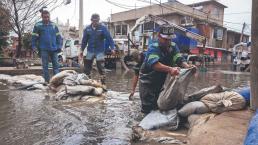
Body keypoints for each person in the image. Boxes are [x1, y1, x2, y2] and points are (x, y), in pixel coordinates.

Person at [139, 25, 194, 114]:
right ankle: (143, 123)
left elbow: (178, 58)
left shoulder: (173, 46)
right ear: (159, 36)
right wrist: (170, 69)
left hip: (161, 80)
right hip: (148, 81)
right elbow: (155, 65)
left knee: (159, 104)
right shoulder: (153, 47)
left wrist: (187, 66)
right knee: (147, 106)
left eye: (170, 39)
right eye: (165, 39)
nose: (168, 41)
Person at [80, 13, 115, 84]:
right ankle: (88, 83)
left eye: (97, 21)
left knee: (100, 67)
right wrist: (81, 50)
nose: (95, 22)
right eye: (94, 21)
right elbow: (84, 41)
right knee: (87, 68)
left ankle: (103, 83)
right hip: (90, 50)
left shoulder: (103, 28)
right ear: (91, 20)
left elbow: (109, 38)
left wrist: (112, 48)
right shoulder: (87, 29)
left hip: (100, 51)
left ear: (99, 20)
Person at [31, 10, 62, 83]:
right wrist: (34, 46)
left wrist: (59, 46)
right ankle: (47, 82)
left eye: (48, 17)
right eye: (45, 17)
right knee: (45, 67)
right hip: (44, 49)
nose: (46, 19)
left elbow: (58, 37)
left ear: (49, 16)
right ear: (42, 17)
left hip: (54, 49)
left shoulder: (54, 25)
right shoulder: (38, 25)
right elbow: (34, 37)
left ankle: (56, 82)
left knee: (56, 67)